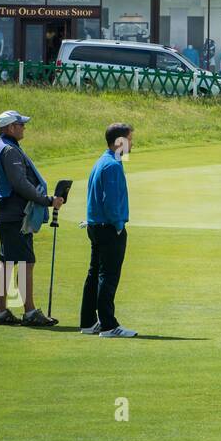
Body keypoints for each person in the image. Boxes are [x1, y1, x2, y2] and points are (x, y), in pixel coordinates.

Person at [0, 110, 64, 327]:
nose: (24, 128)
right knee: (27, 262)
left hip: (5, 211)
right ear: (10, 128)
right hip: (15, 214)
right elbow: (21, 184)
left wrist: (2, 192)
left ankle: (1, 312)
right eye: (20, 125)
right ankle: (30, 312)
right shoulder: (9, 150)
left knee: (6, 262)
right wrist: (47, 200)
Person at [81, 122, 136, 337]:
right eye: (130, 140)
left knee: (95, 274)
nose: (132, 144)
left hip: (95, 225)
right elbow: (111, 202)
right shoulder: (112, 165)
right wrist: (119, 226)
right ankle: (108, 325)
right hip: (108, 227)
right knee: (108, 276)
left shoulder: (103, 161)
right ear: (119, 142)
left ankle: (88, 322)